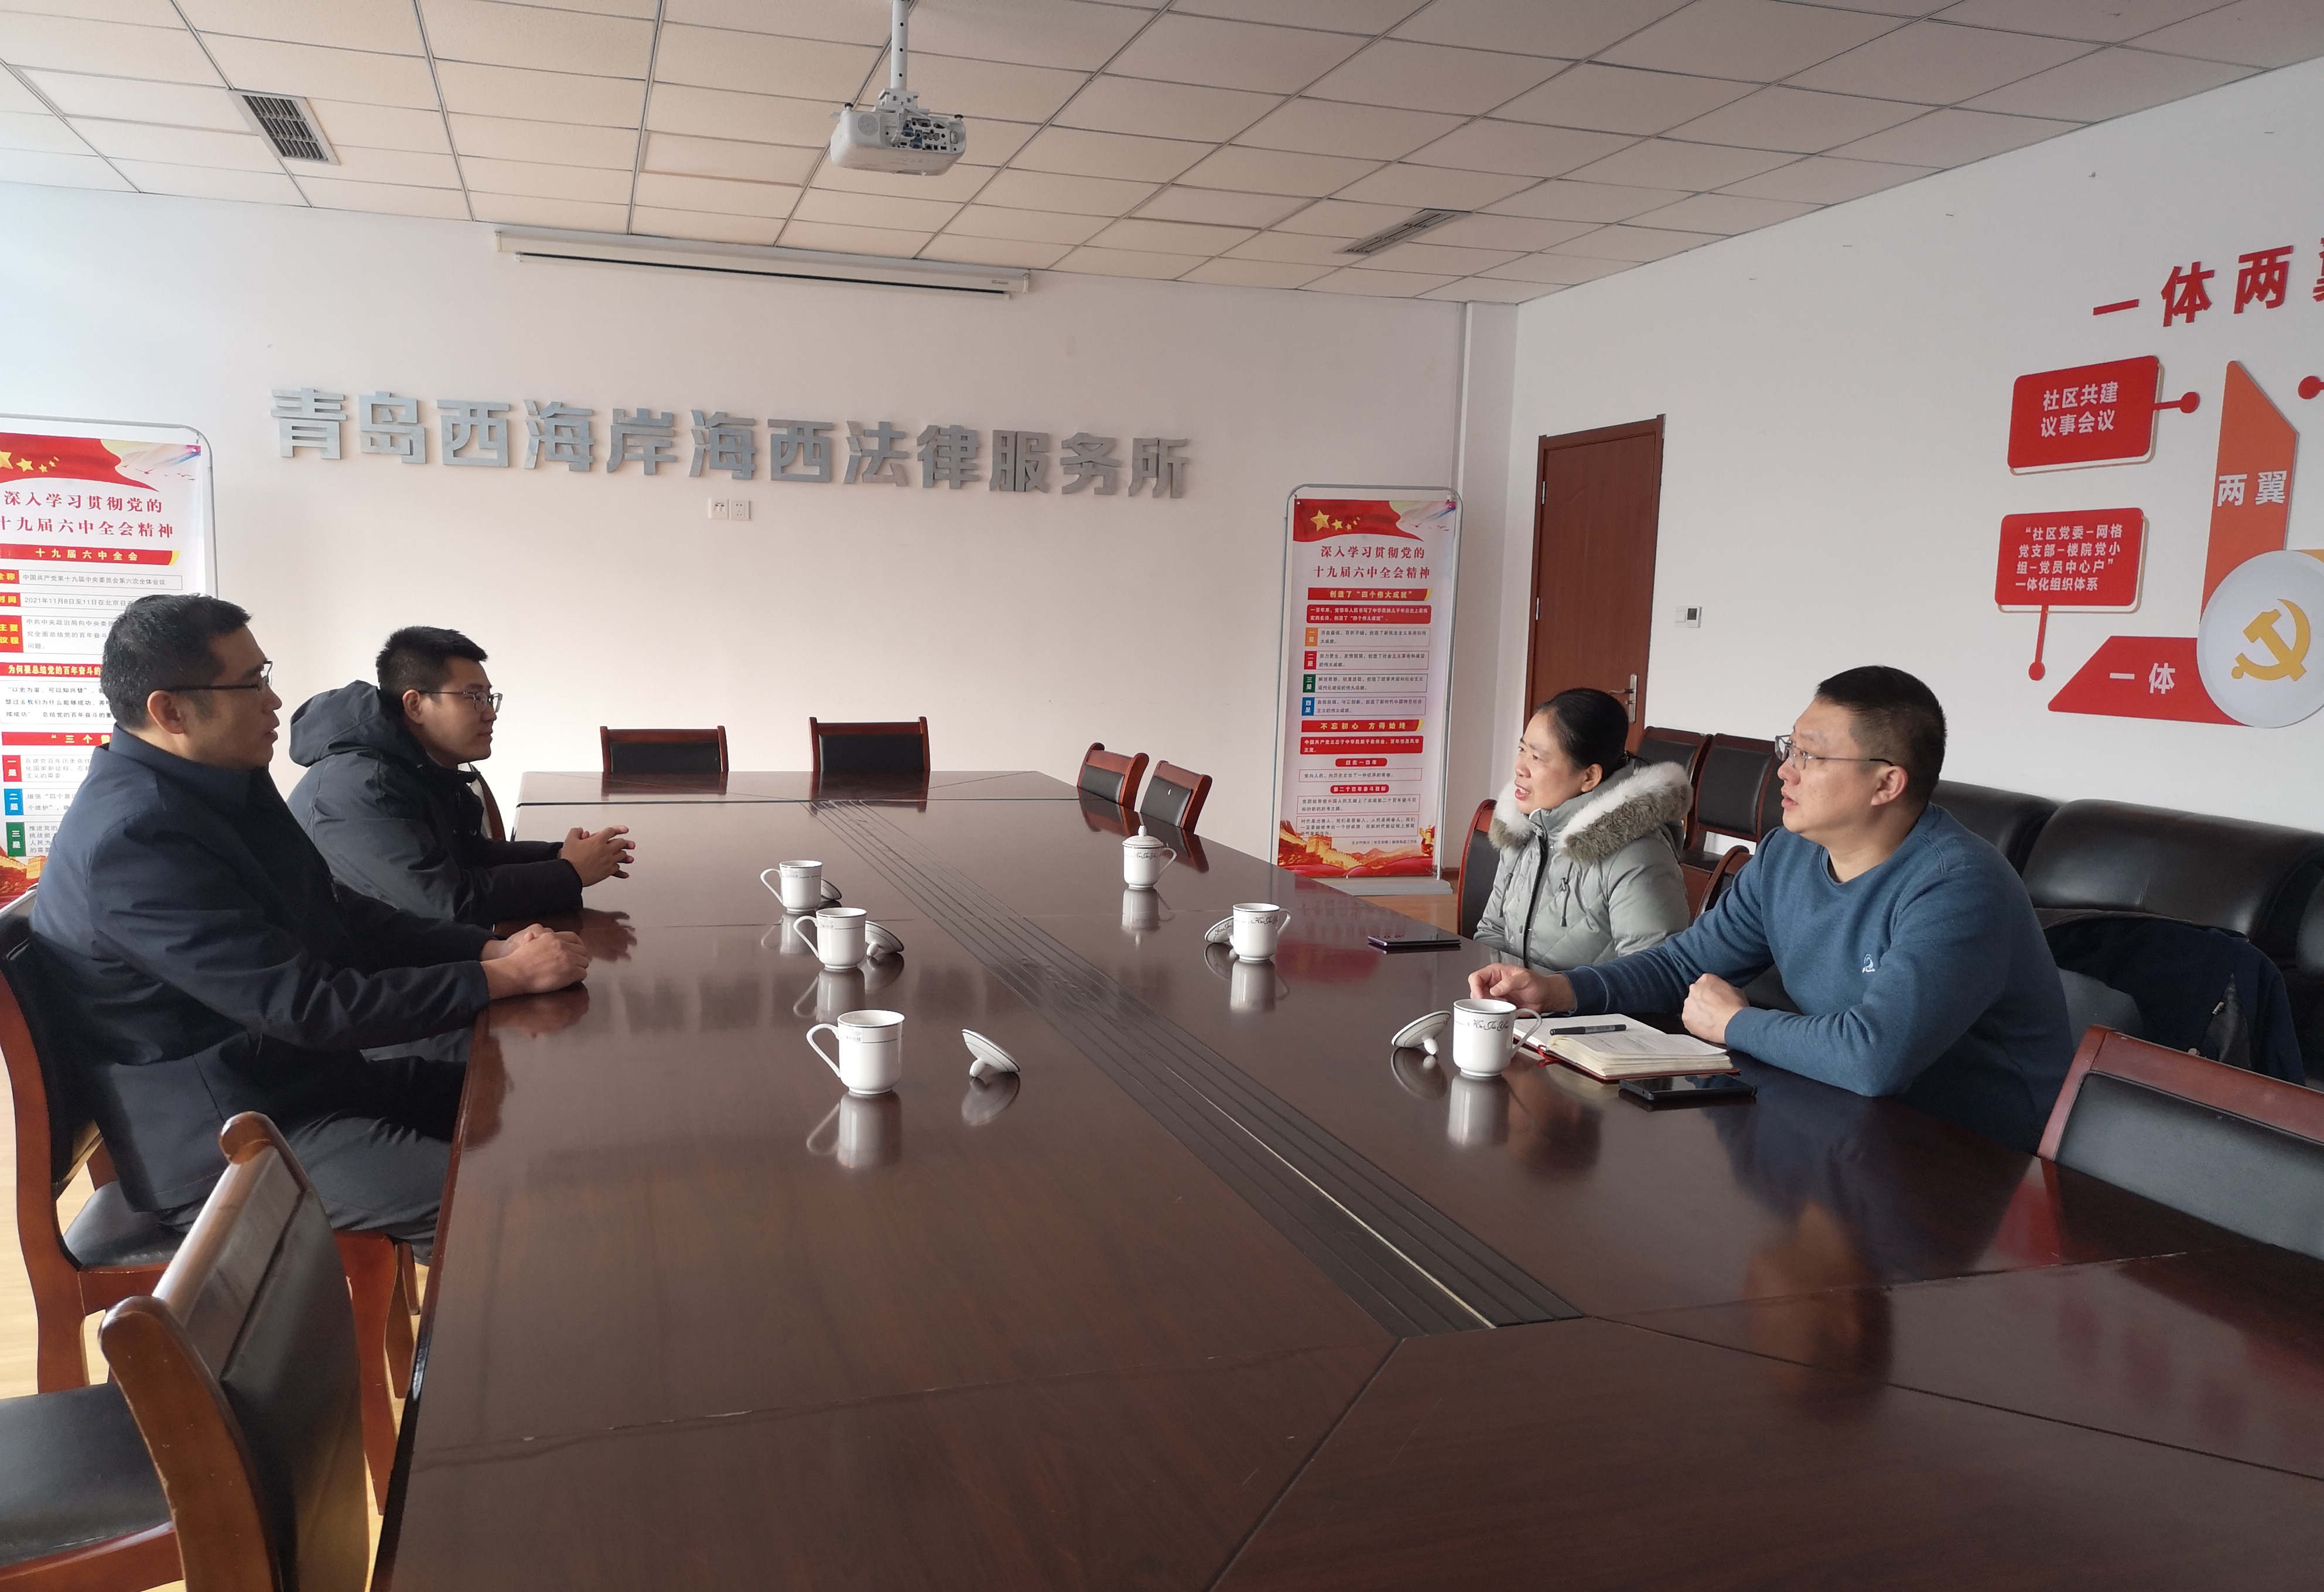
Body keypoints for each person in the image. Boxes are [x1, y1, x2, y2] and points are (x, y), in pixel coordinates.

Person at [30, 595, 592, 1254]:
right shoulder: (134, 839)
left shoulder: (221, 785)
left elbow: (342, 912)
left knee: (538, 1099)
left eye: (265, 675)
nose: (274, 701)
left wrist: (488, 948)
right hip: (235, 1139)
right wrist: (498, 979)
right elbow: (306, 1004)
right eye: (250, 684)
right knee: (508, 1204)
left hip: (304, 1081)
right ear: (170, 711)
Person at [1472, 666, 2073, 1152]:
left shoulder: (1957, 887)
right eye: (1789, 747)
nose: (1784, 770)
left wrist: (1734, 1023)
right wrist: (1560, 990)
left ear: (1886, 784)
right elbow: (1682, 964)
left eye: (1810, 756)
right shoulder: (1788, 853)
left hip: (1969, 1160)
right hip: (1836, 1116)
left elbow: (1874, 1057)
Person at [288, 626, 633, 927]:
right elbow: (446, 905)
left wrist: (558, 856)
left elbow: (468, 855)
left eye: (489, 697)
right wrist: (570, 872)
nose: (490, 713)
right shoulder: (362, 787)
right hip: (370, 971)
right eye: (474, 697)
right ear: (415, 705)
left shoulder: (414, 763)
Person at [1474, 688, 1690, 971]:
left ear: (1589, 777)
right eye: (1522, 749)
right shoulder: (1526, 829)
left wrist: (1554, 992)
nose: (1520, 768)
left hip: (1585, 1003)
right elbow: (1492, 929)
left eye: (1536, 757)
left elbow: (1652, 977)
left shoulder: (1639, 857)